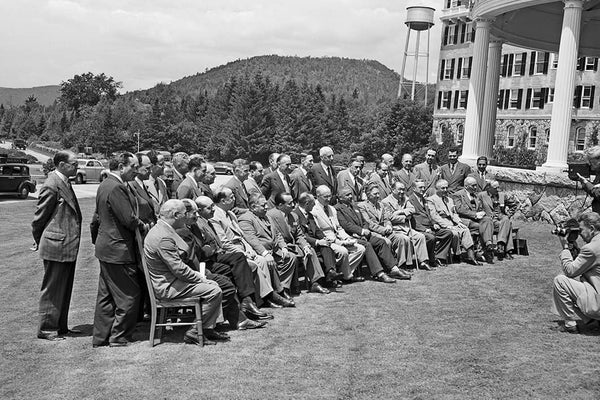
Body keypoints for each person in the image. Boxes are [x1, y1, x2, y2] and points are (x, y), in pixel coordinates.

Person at [144, 200, 228, 345]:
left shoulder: (164, 229)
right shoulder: (163, 237)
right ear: (176, 215)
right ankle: (195, 332)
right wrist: (201, 278)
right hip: (169, 287)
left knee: (213, 284)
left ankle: (206, 328)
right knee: (214, 290)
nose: (187, 217)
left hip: (174, 281)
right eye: (185, 214)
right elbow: (179, 269)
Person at [176, 199, 267, 330]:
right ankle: (220, 320)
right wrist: (205, 251)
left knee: (235, 269)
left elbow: (210, 242)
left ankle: (245, 305)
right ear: (184, 214)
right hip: (198, 268)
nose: (197, 216)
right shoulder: (181, 231)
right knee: (226, 282)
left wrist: (207, 248)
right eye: (194, 213)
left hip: (206, 261)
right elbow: (196, 254)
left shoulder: (194, 226)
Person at [90, 152, 145, 347]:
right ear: (121, 166)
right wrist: (143, 225)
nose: (136, 171)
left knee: (106, 296)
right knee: (128, 294)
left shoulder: (105, 184)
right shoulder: (115, 187)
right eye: (133, 167)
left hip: (106, 248)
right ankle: (119, 336)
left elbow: (96, 219)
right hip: (118, 250)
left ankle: (101, 337)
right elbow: (128, 219)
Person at [210, 188, 290, 308]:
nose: (234, 199)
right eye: (231, 197)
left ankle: (267, 296)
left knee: (262, 260)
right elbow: (224, 243)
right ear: (223, 200)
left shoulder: (231, 214)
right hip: (232, 253)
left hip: (244, 248)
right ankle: (268, 296)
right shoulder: (215, 216)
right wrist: (243, 252)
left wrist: (249, 249)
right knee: (258, 262)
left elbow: (241, 236)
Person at [32, 151, 82, 341]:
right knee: (53, 289)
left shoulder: (64, 182)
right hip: (56, 245)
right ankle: (46, 328)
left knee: (64, 287)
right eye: (74, 164)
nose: (77, 167)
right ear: (61, 164)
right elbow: (39, 218)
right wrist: (40, 239)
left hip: (66, 245)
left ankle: (61, 326)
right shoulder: (52, 185)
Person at [335, 187, 410, 281]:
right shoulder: (337, 209)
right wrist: (361, 231)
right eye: (347, 195)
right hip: (350, 236)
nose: (350, 196)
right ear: (340, 197)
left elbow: (364, 221)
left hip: (363, 234)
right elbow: (345, 225)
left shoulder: (354, 206)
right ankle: (379, 273)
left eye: (351, 194)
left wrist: (364, 230)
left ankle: (394, 269)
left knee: (381, 242)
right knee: (367, 245)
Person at [238, 194, 298, 303]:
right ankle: (278, 293)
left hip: (275, 250)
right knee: (268, 262)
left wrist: (283, 247)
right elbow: (252, 239)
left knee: (291, 257)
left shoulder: (267, 217)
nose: (266, 207)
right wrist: (265, 253)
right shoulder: (245, 219)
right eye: (263, 205)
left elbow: (278, 235)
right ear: (253, 207)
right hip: (259, 252)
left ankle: (283, 287)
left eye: (266, 204)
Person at [267, 192, 330, 294]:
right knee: (291, 256)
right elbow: (274, 236)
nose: (293, 205)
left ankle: (315, 283)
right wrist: (283, 247)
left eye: (293, 202)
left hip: (293, 246)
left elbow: (299, 235)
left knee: (311, 251)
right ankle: (286, 288)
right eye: (289, 203)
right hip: (279, 247)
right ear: (280, 205)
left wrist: (305, 246)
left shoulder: (294, 216)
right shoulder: (271, 215)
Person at [552, 212, 600, 334]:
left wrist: (565, 248)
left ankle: (570, 325)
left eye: (581, 230)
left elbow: (570, 271)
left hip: (598, 304)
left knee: (560, 281)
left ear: (592, 229)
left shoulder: (591, 249)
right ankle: (590, 321)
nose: (580, 234)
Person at [311, 185, 366, 283]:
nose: (328, 199)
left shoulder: (332, 209)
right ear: (318, 196)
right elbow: (318, 231)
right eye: (325, 197)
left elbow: (338, 227)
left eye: (330, 196)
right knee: (343, 251)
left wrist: (347, 238)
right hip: (328, 240)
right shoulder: (314, 210)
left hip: (338, 237)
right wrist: (337, 241)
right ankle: (347, 276)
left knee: (360, 249)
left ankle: (342, 273)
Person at [293, 192, 345, 289]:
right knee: (324, 249)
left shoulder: (310, 214)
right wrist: (317, 242)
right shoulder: (295, 215)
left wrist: (324, 238)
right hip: (305, 245)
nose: (315, 205)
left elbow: (317, 230)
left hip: (316, 244)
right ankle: (329, 278)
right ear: (307, 203)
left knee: (327, 247)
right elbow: (301, 235)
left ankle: (330, 273)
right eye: (313, 203)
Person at [358, 183, 415, 270]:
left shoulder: (380, 205)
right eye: (375, 194)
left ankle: (401, 264)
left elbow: (386, 218)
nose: (377, 196)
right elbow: (369, 223)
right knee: (386, 242)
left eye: (378, 193)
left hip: (386, 230)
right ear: (368, 194)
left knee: (403, 238)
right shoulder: (362, 206)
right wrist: (384, 230)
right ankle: (388, 267)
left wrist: (388, 225)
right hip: (374, 233)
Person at [427, 179, 479, 265]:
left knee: (465, 229)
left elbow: (454, 213)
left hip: (452, 223)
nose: (445, 190)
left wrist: (459, 222)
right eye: (442, 188)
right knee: (454, 233)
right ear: (437, 189)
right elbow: (434, 216)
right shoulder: (431, 200)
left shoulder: (449, 199)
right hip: (441, 225)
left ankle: (471, 256)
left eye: (446, 188)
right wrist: (446, 226)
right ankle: (456, 254)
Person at [381, 181, 431, 270]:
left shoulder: (405, 198)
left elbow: (412, 209)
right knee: (405, 239)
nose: (402, 192)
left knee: (420, 236)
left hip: (407, 228)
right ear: (393, 190)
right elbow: (390, 218)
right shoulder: (386, 201)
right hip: (395, 229)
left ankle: (423, 262)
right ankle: (404, 264)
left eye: (403, 190)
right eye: (399, 189)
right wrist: (404, 218)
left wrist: (400, 212)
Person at [408, 179, 454, 267]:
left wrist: (434, 223)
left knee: (448, 233)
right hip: (418, 228)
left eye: (424, 187)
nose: (423, 189)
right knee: (431, 238)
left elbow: (429, 214)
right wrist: (425, 229)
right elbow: (412, 220)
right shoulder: (410, 200)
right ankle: (430, 260)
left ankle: (438, 257)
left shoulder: (424, 199)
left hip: (430, 226)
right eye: (420, 187)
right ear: (414, 188)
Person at [453, 176, 495, 264]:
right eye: (473, 186)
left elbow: (480, 207)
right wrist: (475, 214)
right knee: (480, 227)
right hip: (465, 219)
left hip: (476, 218)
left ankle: (488, 243)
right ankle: (482, 252)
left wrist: (482, 213)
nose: (475, 188)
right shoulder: (458, 195)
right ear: (466, 186)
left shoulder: (476, 195)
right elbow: (459, 209)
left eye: (476, 185)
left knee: (487, 220)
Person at [478, 180, 514, 260]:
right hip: (488, 221)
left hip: (499, 220)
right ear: (489, 188)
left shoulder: (502, 195)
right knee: (508, 225)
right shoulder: (481, 195)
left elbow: (513, 204)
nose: (497, 189)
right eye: (495, 188)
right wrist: (483, 214)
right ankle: (506, 250)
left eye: (498, 187)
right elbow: (478, 208)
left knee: (506, 220)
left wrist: (509, 214)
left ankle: (501, 245)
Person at [145, 150, 169, 217]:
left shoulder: (162, 183)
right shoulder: (143, 184)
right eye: (161, 164)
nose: (164, 167)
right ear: (152, 166)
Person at [577, 146, 600, 214]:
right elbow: (595, 189)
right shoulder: (598, 173)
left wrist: (586, 183)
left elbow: (598, 193)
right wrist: (585, 183)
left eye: (592, 162)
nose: (590, 165)